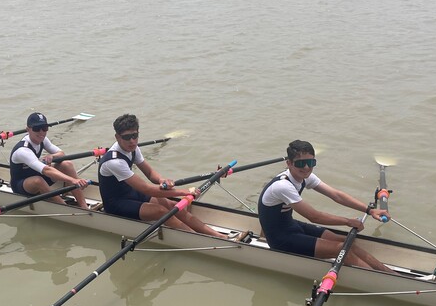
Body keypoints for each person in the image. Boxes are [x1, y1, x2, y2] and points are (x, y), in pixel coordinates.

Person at [258, 139, 393, 272]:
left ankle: (391, 274)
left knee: (348, 243)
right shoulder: (283, 186)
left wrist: (370, 210)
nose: (306, 167)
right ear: (289, 163)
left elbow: (336, 195)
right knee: (341, 249)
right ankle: (384, 283)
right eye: (301, 163)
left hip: (292, 226)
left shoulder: (305, 177)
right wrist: (348, 222)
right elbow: (314, 217)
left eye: (310, 162)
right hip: (280, 239)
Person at [98, 113, 227, 239]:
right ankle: (199, 240)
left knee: (171, 206)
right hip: (116, 203)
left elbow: (149, 173)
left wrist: (161, 180)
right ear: (117, 137)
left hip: (132, 193)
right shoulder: (114, 162)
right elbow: (146, 189)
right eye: (126, 137)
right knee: (162, 211)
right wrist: (184, 192)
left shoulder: (133, 148)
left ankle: (216, 235)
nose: (132, 141)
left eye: (135, 135)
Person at [9, 112, 90, 208]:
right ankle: (64, 208)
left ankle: (84, 206)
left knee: (67, 164)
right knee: (38, 181)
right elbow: (46, 170)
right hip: (21, 186)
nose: (41, 132)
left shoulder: (43, 139)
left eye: (44, 128)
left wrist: (52, 156)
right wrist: (73, 180)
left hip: (38, 175)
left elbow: (62, 153)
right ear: (28, 129)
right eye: (36, 129)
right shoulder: (22, 150)